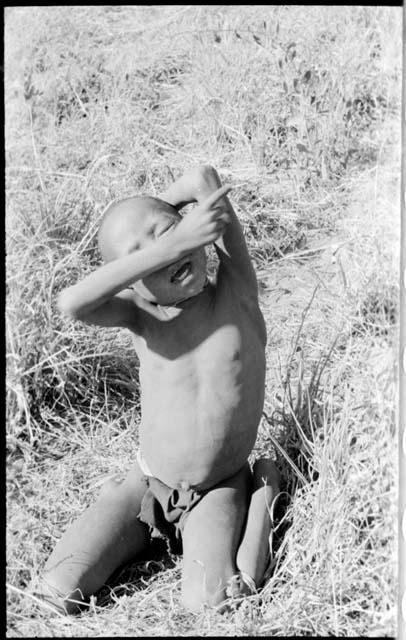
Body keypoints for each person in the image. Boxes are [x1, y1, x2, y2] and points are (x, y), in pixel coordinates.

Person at [36, 164, 280, 614]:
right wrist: (172, 240)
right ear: (130, 281)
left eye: (166, 234)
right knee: (56, 593)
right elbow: (71, 303)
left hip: (216, 486)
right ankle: (136, 523)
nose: (167, 256)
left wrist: (176, 222)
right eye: (141, 256)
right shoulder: (140, 317)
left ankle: (264, 488)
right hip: (148, 482)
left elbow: (203, 177)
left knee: (208, 604)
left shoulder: (235, 293)